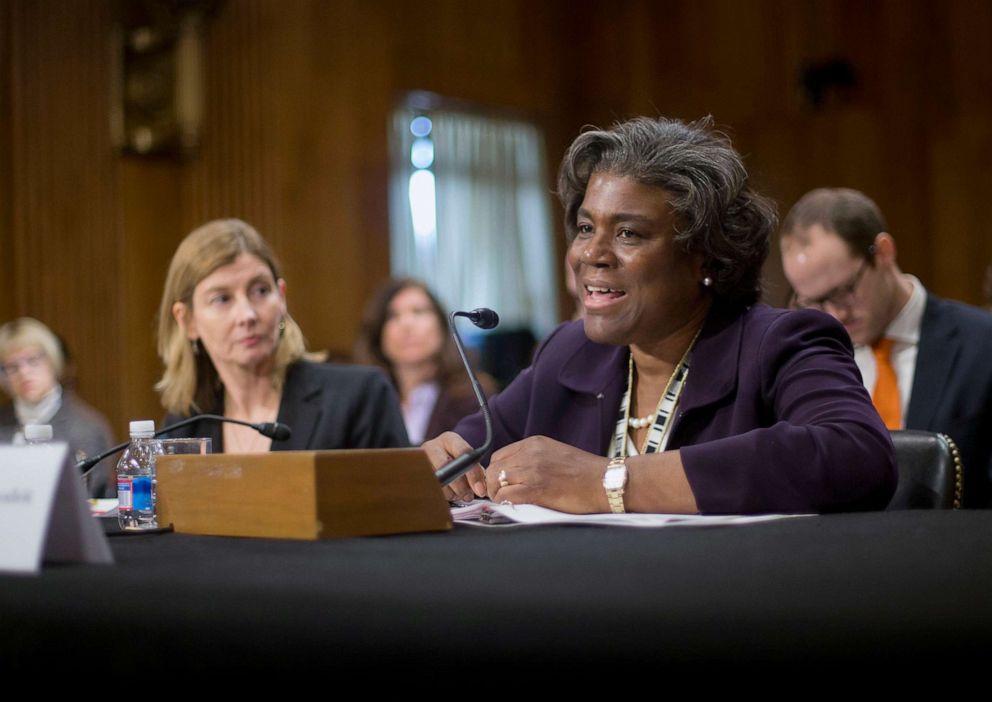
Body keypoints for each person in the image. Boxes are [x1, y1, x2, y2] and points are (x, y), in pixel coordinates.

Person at [425, 117, 897, 514]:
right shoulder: (569, 353)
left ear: (707, 258)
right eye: (586, 227)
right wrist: (441, 463)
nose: (590, 252)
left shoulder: (779, 343)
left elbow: (856, 456)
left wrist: (607, 483)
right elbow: (468, 454)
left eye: (628, 233)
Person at [781, 188, 992, 507]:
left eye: (844, 291)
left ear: (883, 252)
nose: (836, 314)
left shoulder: (982, 343)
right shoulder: (809, 362)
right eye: (814, 302)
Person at [157, 219, 408, 451]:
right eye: (222, 298)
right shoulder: (185, 425)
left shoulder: (359, 397)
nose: (247, 315)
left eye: (260, 290)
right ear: (187, 320)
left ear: (282, 297)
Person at [354, 278, 492, 445]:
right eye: (392, 316)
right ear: (378, 334)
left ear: (441, 325)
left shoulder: (476, 399)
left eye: (418, 311)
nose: (406, 324)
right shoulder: (363, 403)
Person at [0, 317, 115, 496]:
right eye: (12, 367)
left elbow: (92, 493)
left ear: (52, 360)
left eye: (32, 360)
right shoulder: (2, 421)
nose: (24, 373)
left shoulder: (87, 426)